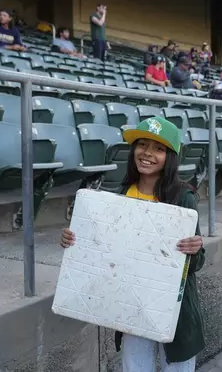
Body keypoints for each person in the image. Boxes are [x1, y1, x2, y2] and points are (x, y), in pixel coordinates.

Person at [60, 117, 205, 372]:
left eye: (158, 149)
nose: (147, 154)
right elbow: (104, 248)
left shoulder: (184, 197)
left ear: (170, 157)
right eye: (142, 145)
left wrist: (194, 249)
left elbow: (196, 263)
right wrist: (75, 240)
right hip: (132, 303)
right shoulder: (121, 192)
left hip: (174, 310)